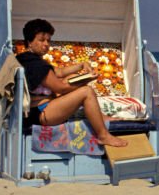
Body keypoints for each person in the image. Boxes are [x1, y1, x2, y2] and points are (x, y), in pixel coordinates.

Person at [16, 18, 127, 148]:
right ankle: (103, 136)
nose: (46, 44)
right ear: (29, 41)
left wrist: (81, 65)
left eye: (48, 40)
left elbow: (60, 72)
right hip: (41, 114)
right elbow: (60, 88)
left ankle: (100, 117)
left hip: (42, 108)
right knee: (86, 92)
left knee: (74, 77)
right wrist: (86, 79)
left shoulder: (28, 59)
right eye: (41, 40)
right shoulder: (34, 64)